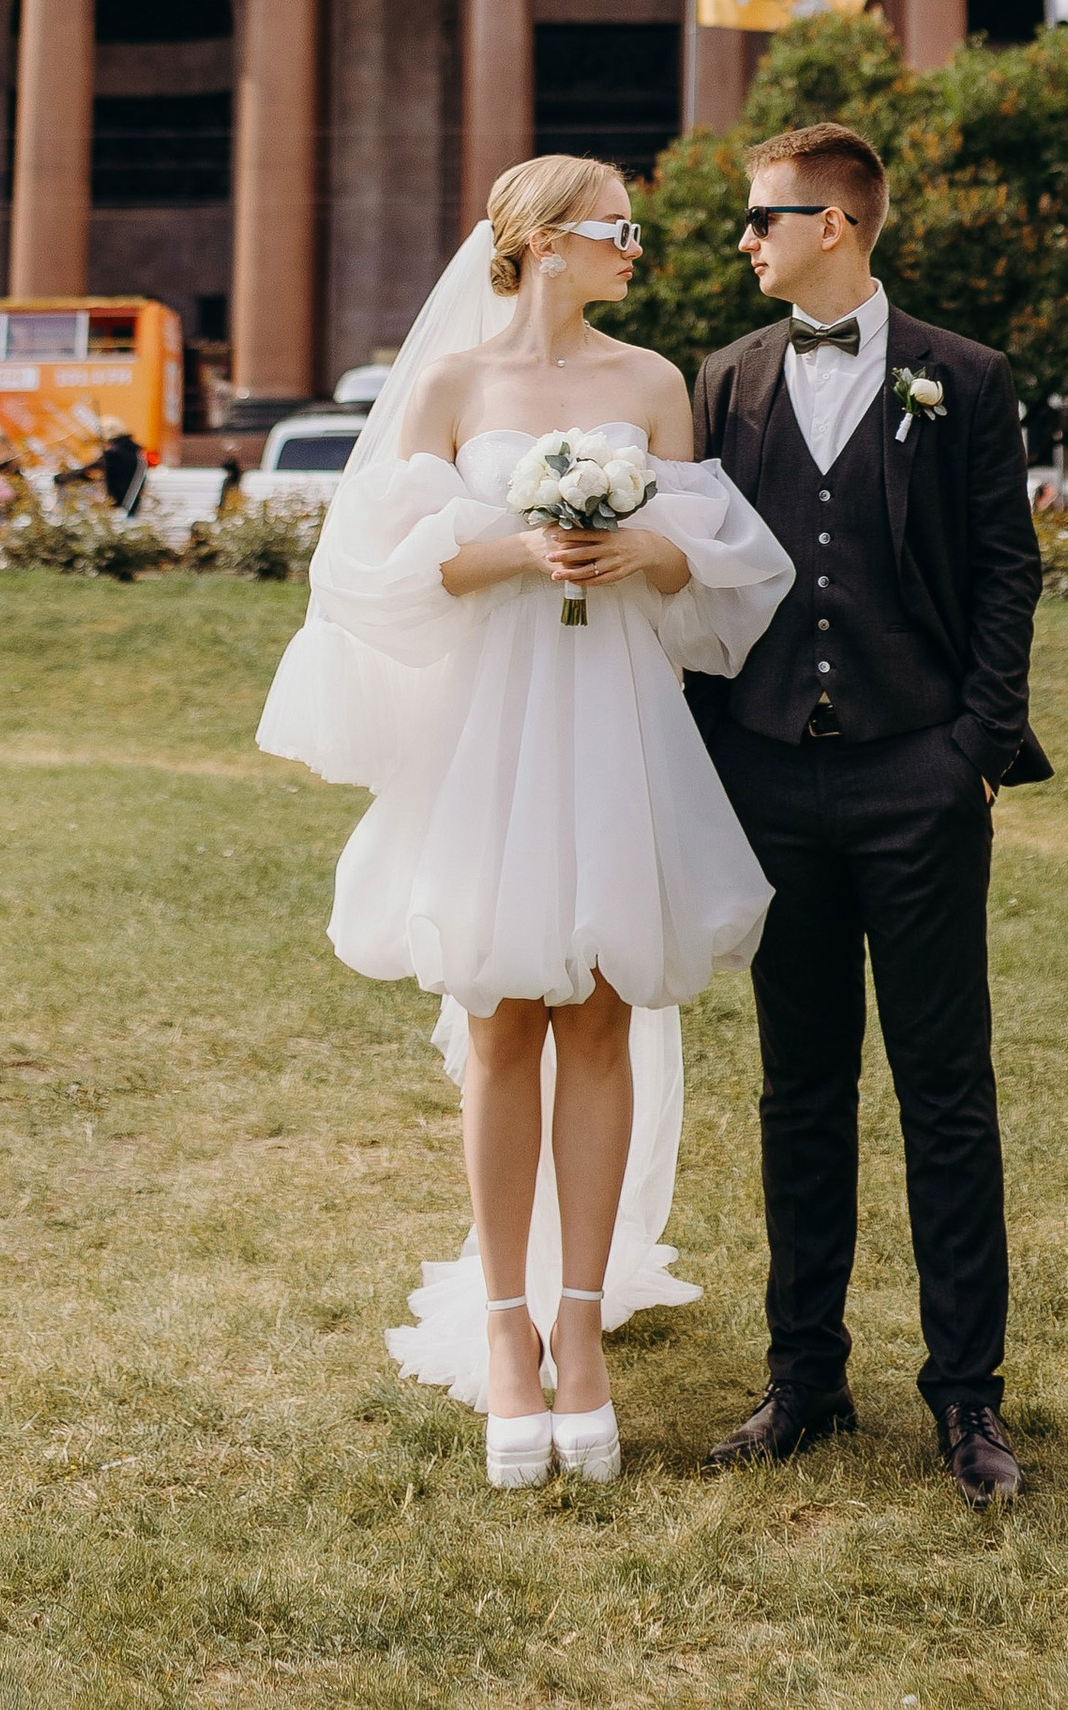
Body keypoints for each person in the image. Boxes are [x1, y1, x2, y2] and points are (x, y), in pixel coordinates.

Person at [257, 155, 791, 1491]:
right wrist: (521, 544)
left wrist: (640, 548)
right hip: (493, 725)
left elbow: (717, 560)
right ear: (546, 238)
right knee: (501, 1021)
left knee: (603, 1010)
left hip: (611, 715)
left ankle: (580, 1327)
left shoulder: (652, 384)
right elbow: (371, 575)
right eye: (620, 230)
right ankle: (506, 1334)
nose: (638, 250)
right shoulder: (445, 386)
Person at [689, 119, 1047, 1511]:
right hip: (772, 781)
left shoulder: (967, 378)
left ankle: (967, 1399)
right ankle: (805, 1381)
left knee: (946, 1094)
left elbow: (1009, 570)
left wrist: (974, 746)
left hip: (919, 777)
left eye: (762, 218)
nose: (746, 241)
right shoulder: (724, 380)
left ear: (833, 223)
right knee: (800, 1090)